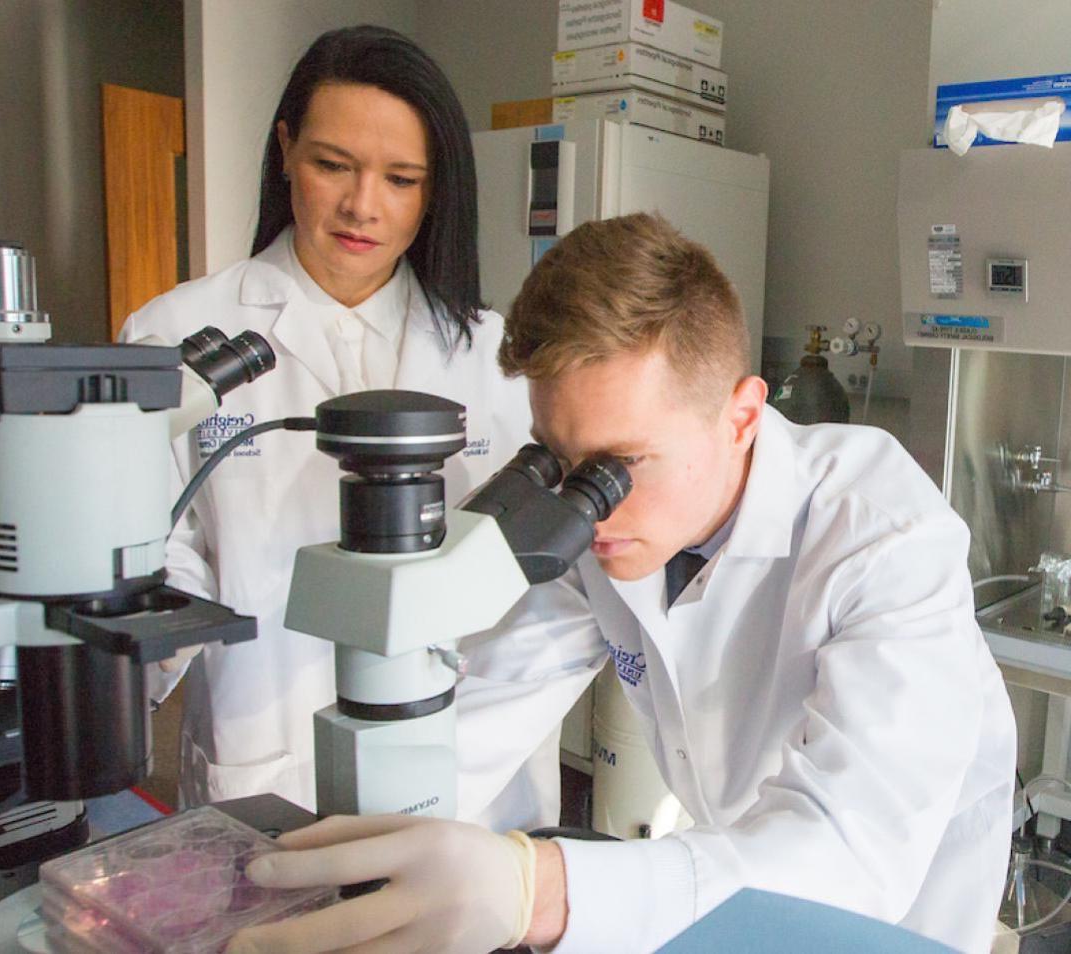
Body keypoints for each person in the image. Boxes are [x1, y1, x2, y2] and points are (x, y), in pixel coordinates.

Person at [224, 212, 1017, 954]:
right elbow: (483, 714)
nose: (586, 505)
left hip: (891, 916)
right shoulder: (605, 528)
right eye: (557, 461)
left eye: (621, 466)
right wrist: (332, 864)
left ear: (741, 417)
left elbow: (848, 856)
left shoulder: (884, 536)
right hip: (722, 872)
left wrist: (537, 890)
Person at [120, 26, 601, 829]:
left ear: (436, 187)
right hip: (273, 761)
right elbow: (151, 563)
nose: (362, 206)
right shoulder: (176, 335)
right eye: (331, 164)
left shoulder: (495, 354)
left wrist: (447, 755)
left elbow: (559, 595)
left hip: (473, 784)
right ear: (284, 151)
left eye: (402, 178)